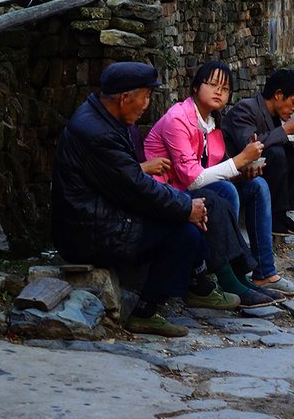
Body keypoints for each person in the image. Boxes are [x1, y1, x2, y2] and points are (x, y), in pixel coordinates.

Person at [52, 61, 239, 338]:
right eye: (145, 96)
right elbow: (136, 187)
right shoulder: (98, 132)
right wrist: (185, 207)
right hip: (87, 231)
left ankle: (203, 280)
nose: (147, 104)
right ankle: (147, 310)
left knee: (199, 207)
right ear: (125, 97)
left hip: (102, 214)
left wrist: (185, 206)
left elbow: (130, 182)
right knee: (185, 231)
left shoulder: (103, 119)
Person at [144, 61, 294, 299]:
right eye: (213, 84)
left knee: (256, 186)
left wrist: (240, 171)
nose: (219, 91)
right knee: (224, 192)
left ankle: (263, 272)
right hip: (169, 191)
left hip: (193, 187)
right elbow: (193, 178)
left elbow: (212, 168)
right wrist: (239, 161)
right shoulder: (178, 118)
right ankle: (229, 276)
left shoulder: (212, 122)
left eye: (226, 88)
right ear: (196, 87)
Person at [223, 69, 294, 238]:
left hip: (263, 169)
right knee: (275, 153)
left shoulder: (272, 115)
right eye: (293, 102)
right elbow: (249, 147)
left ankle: (282, 213)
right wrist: (284, 130)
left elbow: (274, 140)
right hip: (240, 175)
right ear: (279, 94)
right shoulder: (245, 109)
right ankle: (275, 216)